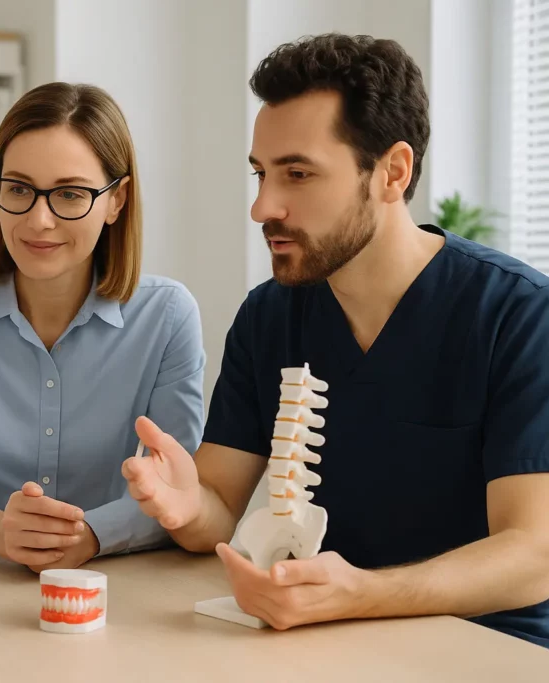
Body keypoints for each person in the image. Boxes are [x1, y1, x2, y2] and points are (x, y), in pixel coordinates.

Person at [122, 33, 549, 648]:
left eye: (297, 173)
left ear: (392, 173)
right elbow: (216, 501)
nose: (263, 206)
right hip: (326, 638)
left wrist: (362, 594)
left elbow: (533, 553)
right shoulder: (269, 316)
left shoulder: (517, 315)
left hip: (487, 646)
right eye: (261, 173)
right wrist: (187, 506)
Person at [0, 82, 206, 571]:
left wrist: (91, 536)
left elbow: (181, 490)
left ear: (117, 201)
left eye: (69, 194)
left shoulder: (166, 316)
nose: (39, 220)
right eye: (18, 189)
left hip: (114, 584)